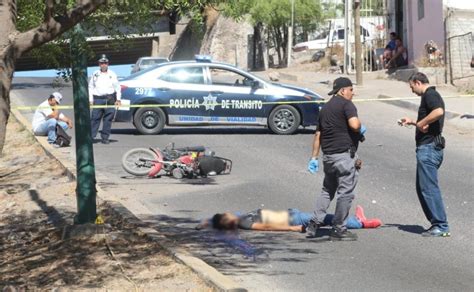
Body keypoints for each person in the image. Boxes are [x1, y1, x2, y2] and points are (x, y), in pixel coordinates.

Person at [306, 77, 366, 241]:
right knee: (345, 193)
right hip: (344, 156)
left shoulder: (325, 109)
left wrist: (314, 158)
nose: (353, 93)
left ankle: (314, 223)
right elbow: (354, 125)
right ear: (343, 91)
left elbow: (318, 135)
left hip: (329, 158)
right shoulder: (347, 105)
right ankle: (339, 229)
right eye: (351, 90)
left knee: (327, 191)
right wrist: (360, 127)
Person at [399, 72, 450, 237]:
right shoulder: (429, 96)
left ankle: (441, 225)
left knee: (428, 188)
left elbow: (439, 111)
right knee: (423, 188)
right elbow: (429, 122)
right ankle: (437, 224)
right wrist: (414, 122)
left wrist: (422, 122)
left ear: (417, 82)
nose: (412, 91)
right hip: (428, 147)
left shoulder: (431, 94)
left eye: (412, 86)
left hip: (429, 149)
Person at [197, 205, 382, 232]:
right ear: (226, 220)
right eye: (226, 216)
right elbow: (268, 227)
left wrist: (206, 223)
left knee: (324, 218)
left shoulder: (237, 219)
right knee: (327, 218)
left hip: (291, 214)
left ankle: (357, 221)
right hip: (293, 220)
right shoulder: (244, 222)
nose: (230, 213)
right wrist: (293, 229)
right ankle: (361, 222)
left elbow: (213, 221)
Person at [88, 54, 121, 144]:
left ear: (108, 64)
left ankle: (105, 138)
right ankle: (91, 137)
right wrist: (90, 99)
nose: (103, 65)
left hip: (109, 98)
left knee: (108, 120)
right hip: (98, 99)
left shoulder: (112, 74)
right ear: (99, 64)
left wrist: (118, 99)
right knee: (95, 118)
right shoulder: (95, 74)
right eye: (102, 63)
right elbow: (90, 87)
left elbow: (117, 87)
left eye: (105, 63)